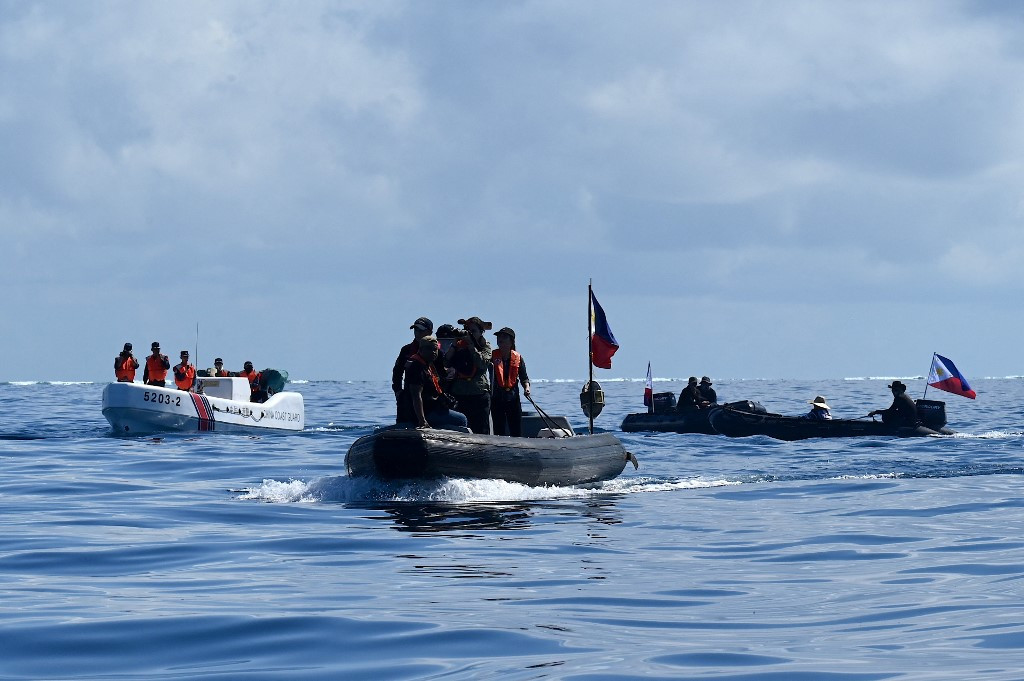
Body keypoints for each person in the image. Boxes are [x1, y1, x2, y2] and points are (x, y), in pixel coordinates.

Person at [400, 335, 468, 431]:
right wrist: (422, 420)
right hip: (424, 413)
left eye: (435, 349)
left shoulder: (427, 365)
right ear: (421, 350)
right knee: (461, 419)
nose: (433, 352)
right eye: (429, 349)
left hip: (431, 408)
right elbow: (416, 396)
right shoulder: (417, 367)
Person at [392, 317, 447, 421]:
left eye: (421, 330)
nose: (417, 333)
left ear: (430, 331)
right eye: (415, 330)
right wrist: (398, 391)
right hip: (409, 396)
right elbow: (397, 372)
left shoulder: (437, 353)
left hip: (431, 398)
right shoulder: (406, 350)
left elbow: (442, 374)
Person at [447, 316, 493, 434]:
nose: (470, 334)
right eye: (468, 330)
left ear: (481, 332)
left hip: (478, 394)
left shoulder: (485, 346)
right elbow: (445, 363)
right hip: (460, 393)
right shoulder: (458, 345)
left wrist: (472, 347)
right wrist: (453, 345)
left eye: (474, 331)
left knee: (481, 429)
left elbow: (482, 363)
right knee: (461, 428)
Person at [490, 327, 531, 437]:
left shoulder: (518, 358)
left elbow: (524, 377)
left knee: (516, 428)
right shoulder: (492, 356)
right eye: (499, 337)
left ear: (511, 341)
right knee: (499, 428)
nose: (500, 339)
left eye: (504, 337)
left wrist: (527, 388)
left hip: (513, 398)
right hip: (496, 398)